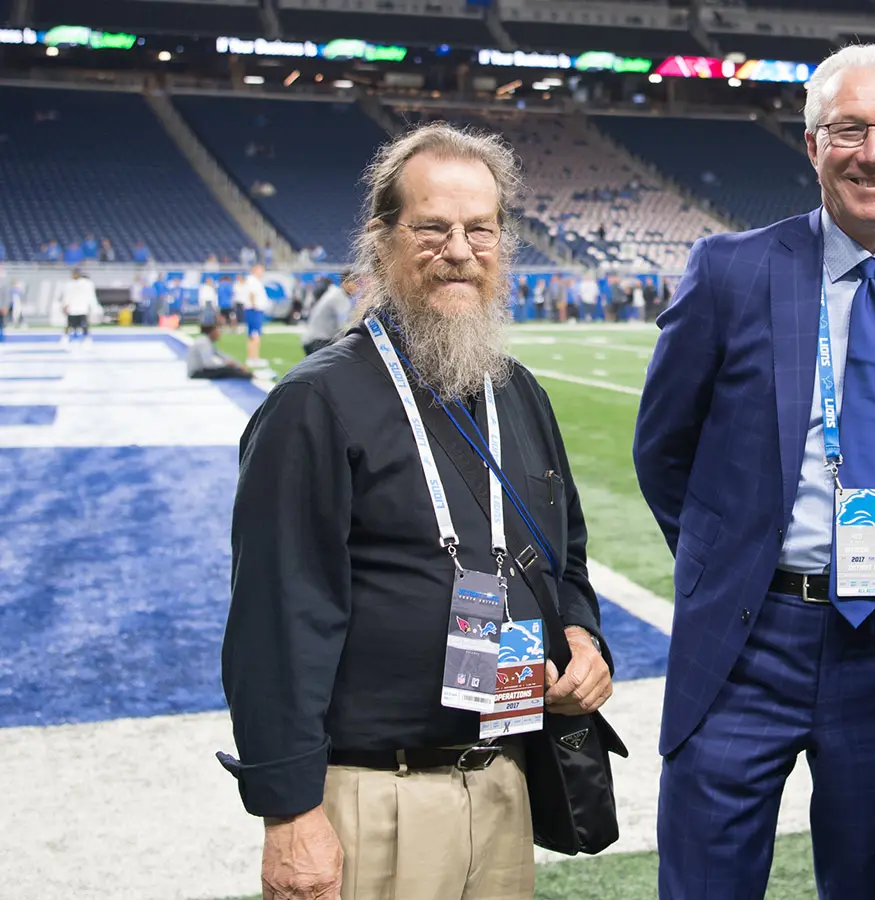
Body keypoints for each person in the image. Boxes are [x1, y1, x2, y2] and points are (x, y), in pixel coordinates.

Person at [634, 43, 875, 900]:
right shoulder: (730, 272)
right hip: (747, 636)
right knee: (704, 879)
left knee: (869, 884)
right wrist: (721, 565)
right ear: (812, 146)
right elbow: (662, 449)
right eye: (848, 129)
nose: (872, 153)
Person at [220, 123, 617, 900]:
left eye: (481, 230)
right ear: (383, 240)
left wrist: (579, 633)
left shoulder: (518, 390)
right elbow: (277, 622)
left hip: (503, 781)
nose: (460, 250)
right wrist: (288, 814)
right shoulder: (315, 402)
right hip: (373, 794)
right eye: (432, 228)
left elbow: (563, 556)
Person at [301, 273, 353, 356]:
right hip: (319, 341)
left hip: (312, 339)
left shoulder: (334, 292)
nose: (358, 288)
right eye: (355, 283)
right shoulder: (340, 298)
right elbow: (341, 326)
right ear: (345, 283)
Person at [187, 321, 253, 380]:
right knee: (228, 370)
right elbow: (208, 363)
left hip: (199, 370)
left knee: (229, 368)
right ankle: (249, 376)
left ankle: (248, 375)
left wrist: (238, 365)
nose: (219, 334)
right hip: (196, 373)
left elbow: (221, 355)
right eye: (217, 331)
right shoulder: (204, 343)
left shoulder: (206, 341)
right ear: (212, 332)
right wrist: (225, 364)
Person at [240, 263, 269, 365]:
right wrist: (254, 305)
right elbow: (251, 293)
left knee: (252, 334)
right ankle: (254, 357)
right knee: (255, 335)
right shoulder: (252, 280)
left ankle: (252, 357)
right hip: (254, 310)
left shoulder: (252, 280)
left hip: (253, 309)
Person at [60, 268, 96, 344]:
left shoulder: (87, 283)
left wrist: (91, 306)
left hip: (82, 307)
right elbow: (66, 296)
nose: (74, 275)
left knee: (84, 324)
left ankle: (86, 338)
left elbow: (90, 295)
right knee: (70, 324)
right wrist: (65, 305)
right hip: (72, 308)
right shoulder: (69, 284)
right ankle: (66, 337)